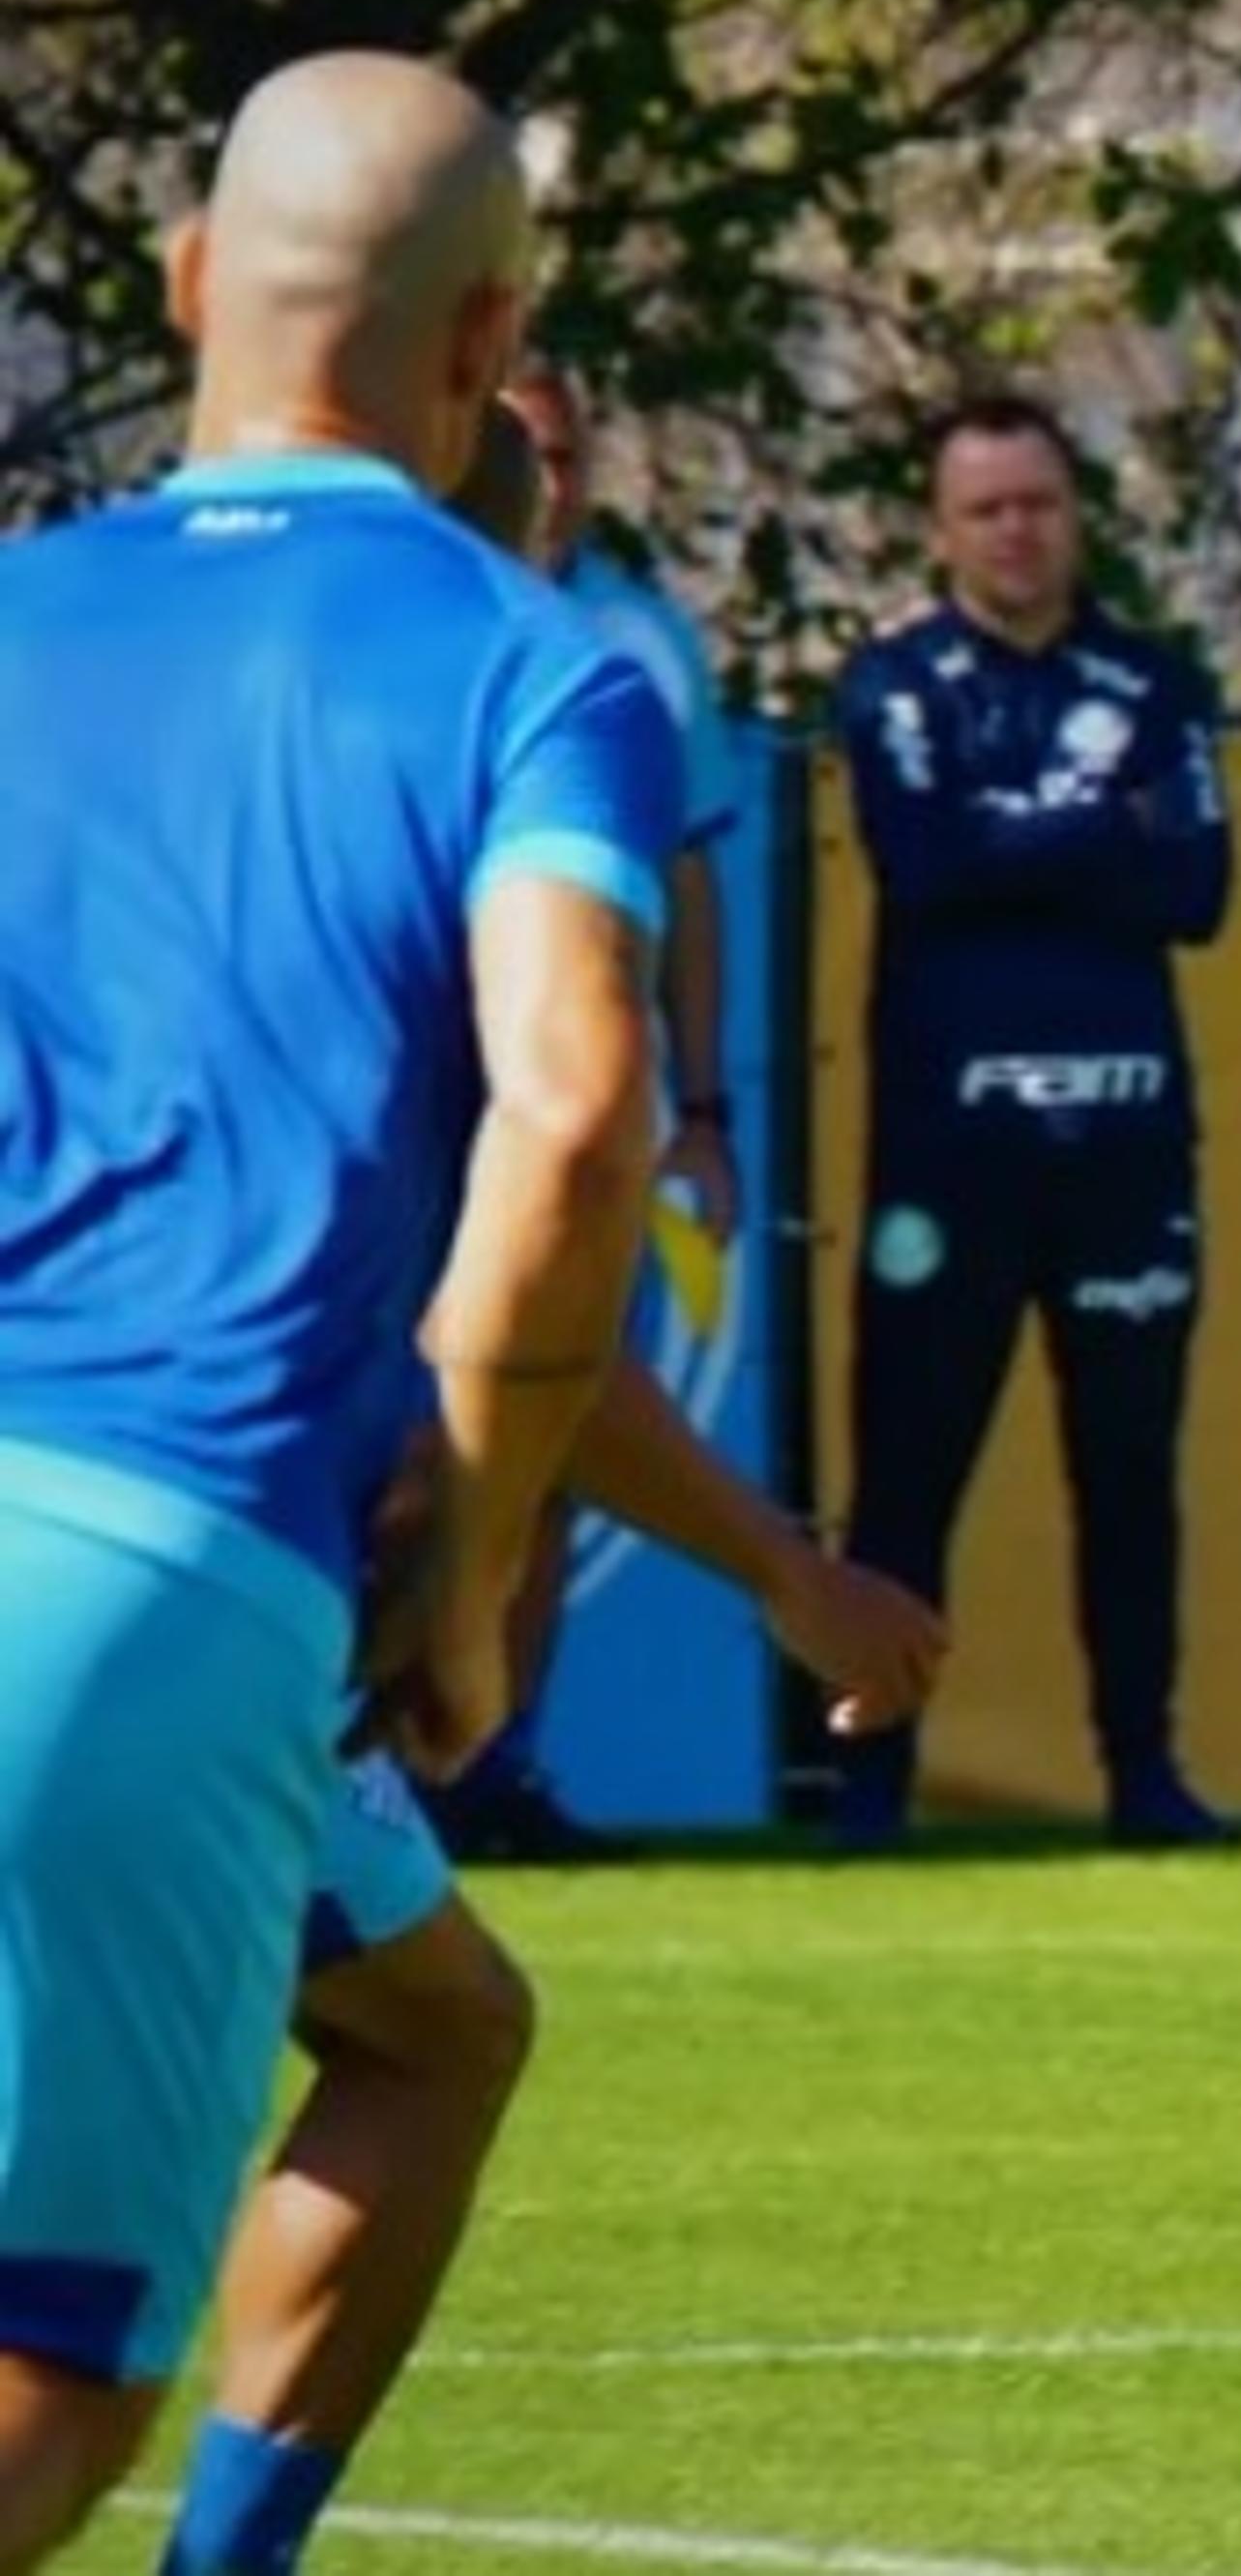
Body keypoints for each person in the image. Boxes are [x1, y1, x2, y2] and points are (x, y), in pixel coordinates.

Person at [155, 401, 949, 2576]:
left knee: (434, 2024)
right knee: (76, 2348)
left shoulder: (105, 674)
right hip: (145, 1548)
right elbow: (540, 1240)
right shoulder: (471, 757)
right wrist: (746, 1577)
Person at [0, 51, 673, 2562]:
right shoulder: (526, 667)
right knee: (48, 2391)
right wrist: (474, 1560)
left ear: (186, 282)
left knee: (431, 2020)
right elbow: (576, 1108)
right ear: (496, 337)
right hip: (154, 1561)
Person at [831, 392, 1236, 1850]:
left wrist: (1027, 842)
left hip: (1126, 1152)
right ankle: (871, 1784)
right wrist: (1093, 831)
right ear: (942, 531)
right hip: (947, 1159)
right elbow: (923, 866)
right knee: (907, 1478)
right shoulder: (892, 687)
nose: (1018, 532)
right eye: (988, 509)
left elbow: (1196, 889)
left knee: (1128, 1475)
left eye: (1041, 503)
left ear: (1078, 514)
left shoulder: (1158, 684)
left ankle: (1146, 1774)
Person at [425, 353, 754, 1864]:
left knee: (548, 1428)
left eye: (561, 455)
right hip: (438, 1109)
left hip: (578, 1089)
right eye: (521, 454)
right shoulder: (414, 628)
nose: (542, 486)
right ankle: (382, 1765)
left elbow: (685, 878)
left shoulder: (633, 641)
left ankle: (490, 1757)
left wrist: (698, 1102)